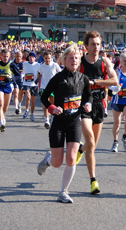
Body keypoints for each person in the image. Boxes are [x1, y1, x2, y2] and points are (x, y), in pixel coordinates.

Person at [36, 44, 93, 204]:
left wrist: (87, 104)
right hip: (59, 123)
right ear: (64, 60)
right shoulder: (58, 78)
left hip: (74, 122)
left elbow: (88, 96)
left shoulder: (84, 79)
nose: (74, 60)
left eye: (76, 58)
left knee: (72, 158)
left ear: (79, 60)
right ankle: (48, 160)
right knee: (57, 162)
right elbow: (44, 97)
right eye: (70, 58)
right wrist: (52, 108)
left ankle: (63, 192)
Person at [76, 31, 118, 195]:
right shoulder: (80, 62)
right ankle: (93, 180)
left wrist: (95, 82)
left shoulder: (104, 61)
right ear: (86, 46)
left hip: (99, 104)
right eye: (93, 44)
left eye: (98, 44)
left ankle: (81, 150)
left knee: (92, 146)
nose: (96, 47)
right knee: (91, 142)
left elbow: (115, 81)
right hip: (84, 104)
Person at [0, 49, 21, 132]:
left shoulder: (12, 65)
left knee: (5, 107)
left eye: (7, 56)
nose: (5, 58)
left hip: (8, 87)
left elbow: (18, 75)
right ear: (1, 56)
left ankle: (3, 117)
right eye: (4, 56)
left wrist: (11, 79)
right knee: (0, 103)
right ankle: (1, 122)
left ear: (9, 57)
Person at [38, 51, 62, 128]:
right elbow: (39, 76)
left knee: (52, 104)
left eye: (49, 58)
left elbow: (60, 73)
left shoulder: (55, 65)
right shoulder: (41, 66)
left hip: (53, 87)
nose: (47, 60)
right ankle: (47, 120)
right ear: (43, 58)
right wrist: (38, 86)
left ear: (51, 58)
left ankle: (52, 117)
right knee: (45, 104)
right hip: (44, 87)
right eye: (46, 58)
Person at [21, 51, 41, 121]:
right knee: (28, 97)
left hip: (34, 84)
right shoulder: (25, 64)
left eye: (33, 57)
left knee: (33, 101)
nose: (31, 58)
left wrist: (38, 80)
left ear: (35, 58)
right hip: (26, 83)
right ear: (28, 58)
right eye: (30, 57)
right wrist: (21, 76)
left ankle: (32, 114)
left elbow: (40, 74)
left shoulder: (38, 65)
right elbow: (23, 72)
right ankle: (26, 110)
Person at [11, 50, 25, 115]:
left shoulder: (24, 63)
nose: (18, 57)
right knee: (16, 93)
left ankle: (19, 104)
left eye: (19, 56)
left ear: (21, 56)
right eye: (17, 56)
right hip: (15, 80)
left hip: (22, 81)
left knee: (21, 94)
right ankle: (16, 108)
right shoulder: (12, 63)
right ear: (15, 56)